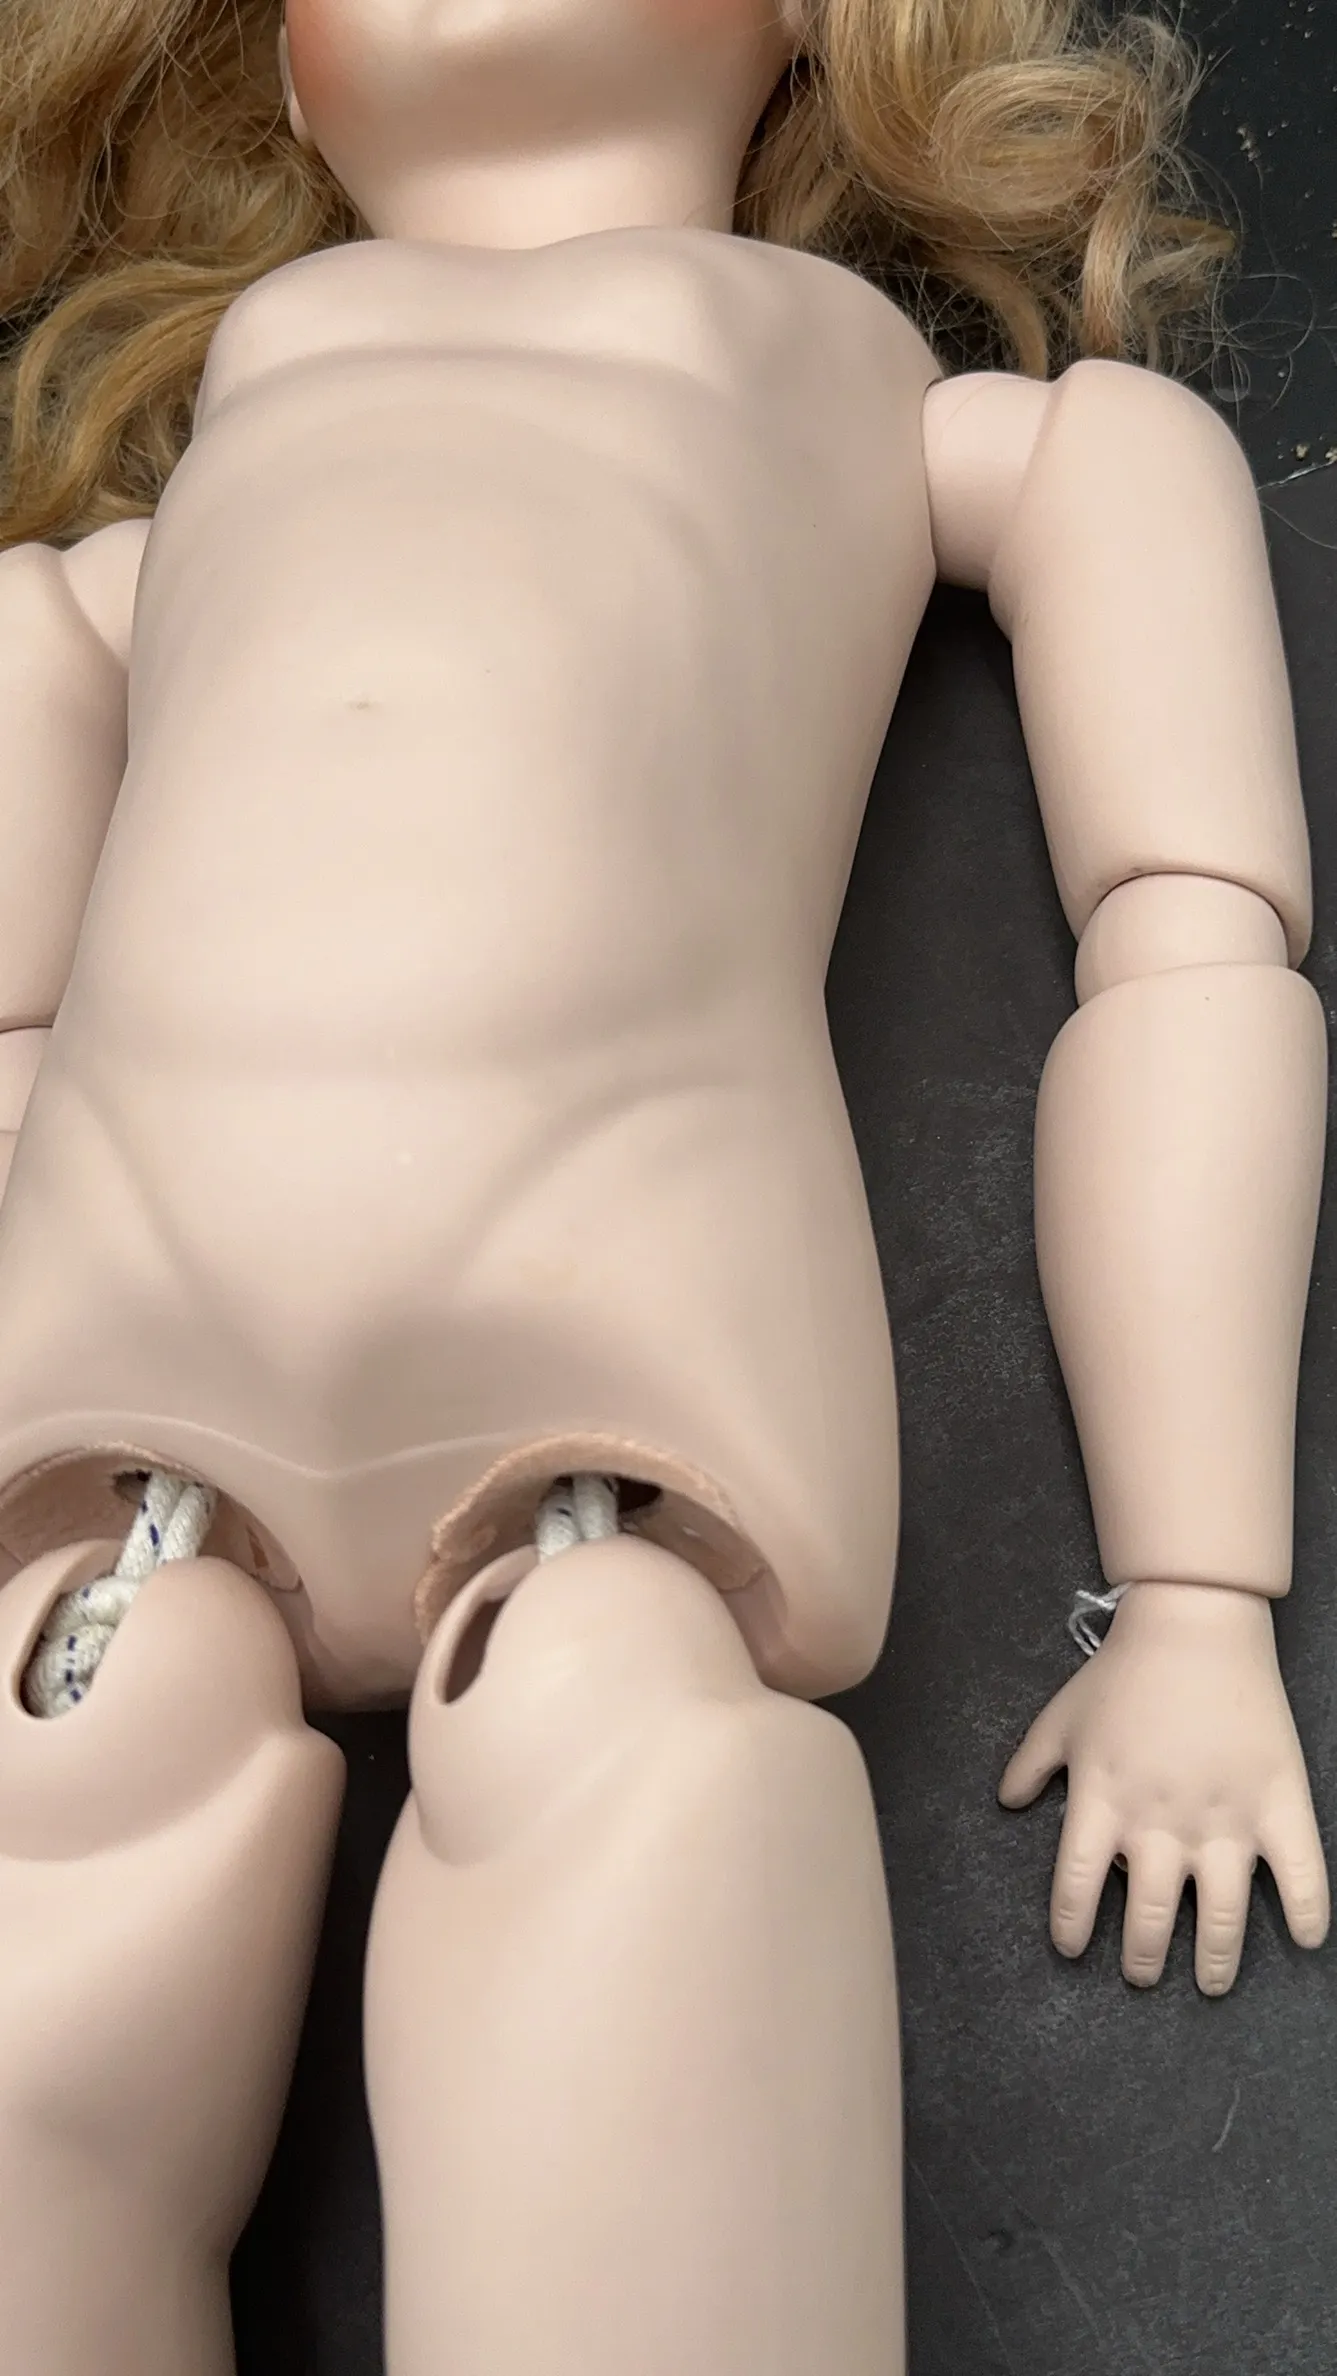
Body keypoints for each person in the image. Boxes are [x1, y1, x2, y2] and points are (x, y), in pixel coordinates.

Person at [0, 2, 1326, 2369]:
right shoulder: (122, 559)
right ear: (287, 80)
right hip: (118, 1411)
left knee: (625, 1805)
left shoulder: (974, 434)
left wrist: (1193, 1595)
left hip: (612, 1358)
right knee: (62, 1841)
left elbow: (1189, 943)